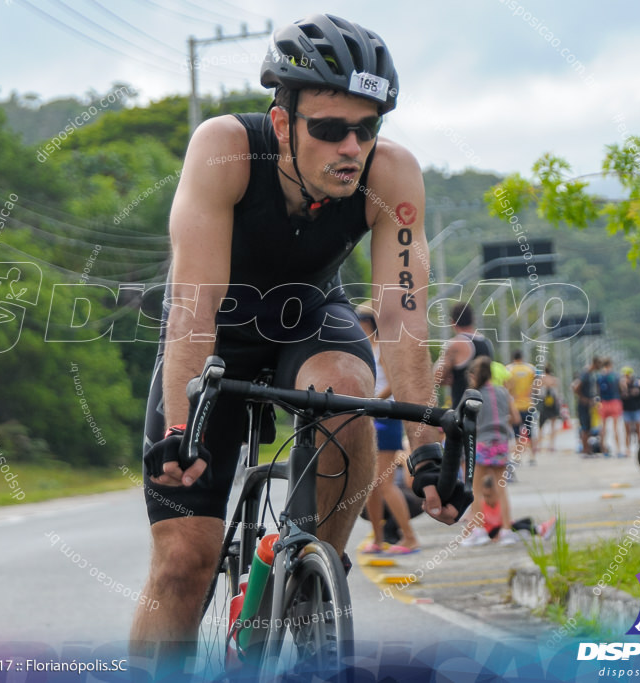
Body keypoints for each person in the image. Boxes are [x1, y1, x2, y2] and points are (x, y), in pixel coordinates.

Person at [129, 14, 469, 672]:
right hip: (216, 335)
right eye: (330, 128)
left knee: (349, 388)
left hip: (310, 319)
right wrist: (180, 424)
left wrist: (428, 450)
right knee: (182, 561)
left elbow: (400, 317)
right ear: (283, 123)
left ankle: (313, 580)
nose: (352, 147)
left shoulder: (391, 175)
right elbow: (192, 307)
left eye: (367, 128)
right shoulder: (224, 150)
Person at [357, 309, 419, 554]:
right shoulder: (364, 348)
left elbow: (393, 383)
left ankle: (410, 537)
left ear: (371, 325)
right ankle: (379, 538)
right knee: (370, 486)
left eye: (361, 323)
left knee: (384, 483)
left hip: (385, 417)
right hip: (370, 417)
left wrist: (371, 402)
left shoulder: (383, 348)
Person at [460, 356, 520, 547]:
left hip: (482, 445)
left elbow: (461, 419)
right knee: (501, 489)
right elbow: (516, 418)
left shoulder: (473, 394)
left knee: (475, 490)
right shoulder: (502, 392)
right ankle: (507, 531)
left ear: (474, 375)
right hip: (501, 444)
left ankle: (478, 531)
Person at [436, 301, 494, 409]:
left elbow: (436, 377)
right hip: (486, 408)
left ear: (452, 322)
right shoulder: (487, 343)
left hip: (463, 410)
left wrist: (447, 379)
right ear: (473, 319)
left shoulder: (456, 344)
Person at [472, 475, 555, 543]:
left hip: (501, 526)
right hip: (491, 531)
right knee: (513, 525)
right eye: (485, 496)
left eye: (490, 496)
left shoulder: (499, 503)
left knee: (528, 520)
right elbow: (494, 521)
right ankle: (540, 530)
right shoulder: (482, 505)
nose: (487, 499)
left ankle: (525, 532)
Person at [505, 349, 537, 465]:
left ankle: (518, 456)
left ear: (513, 358)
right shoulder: (530, 369)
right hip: (528, 404)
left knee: (516, 432)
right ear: (522, 357)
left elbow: (506, 385)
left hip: (515, 406)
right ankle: (532, 456)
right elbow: (538, 382)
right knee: (530, 432)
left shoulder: (509, 369)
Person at [572, 356, 601, 455]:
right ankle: (585, 450)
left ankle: (588, 449)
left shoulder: (590, 374)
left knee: (588, 428)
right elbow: (575, 387)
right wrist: (583, 398)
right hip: (583, 405)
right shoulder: (585, 374)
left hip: (588, 405)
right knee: (584, 428)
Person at [596, 357, 625, 457]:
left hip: (603, 402)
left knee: (603, 428)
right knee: (616, 427)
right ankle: (619, 450)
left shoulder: (599, 376)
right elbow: (622, 387)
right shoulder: (615, 375)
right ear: (610, 365)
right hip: (614, 401)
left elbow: (597, 390)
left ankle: (604, 450)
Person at [620, 367, 640, 456]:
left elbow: (638, 395)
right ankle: (628, 449)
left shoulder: (636, 384)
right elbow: (623, 396)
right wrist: (624, 387)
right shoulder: (621, 385)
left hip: (636, 409)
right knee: (627, 431)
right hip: (626, 410)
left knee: (639, 430)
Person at [537, 364, 563, 452]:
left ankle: (539, 445)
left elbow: (537, 390)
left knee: (541, 426)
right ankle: (551, 445)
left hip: (544, 403)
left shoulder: (541, 379)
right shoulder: (554, 380)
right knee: (553, 424)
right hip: (552, 403)